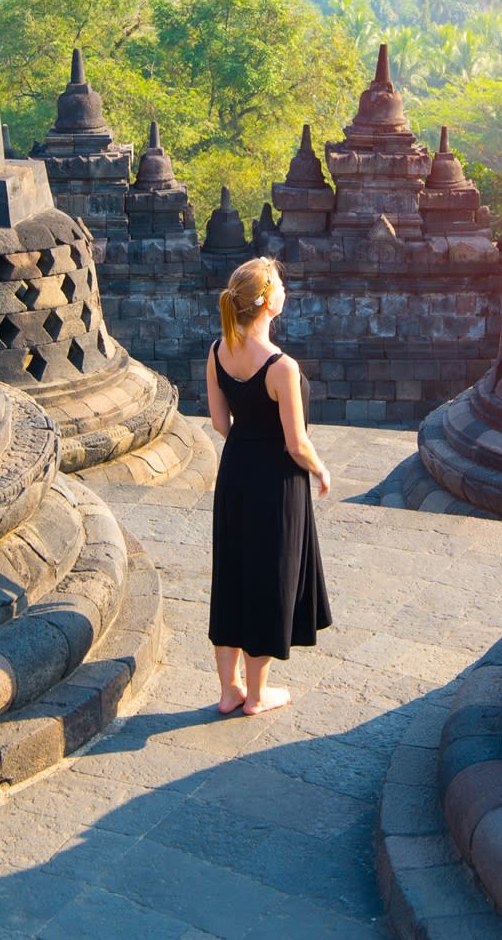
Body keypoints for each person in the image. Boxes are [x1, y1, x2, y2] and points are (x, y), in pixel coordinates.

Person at [205, 255, 333, 716]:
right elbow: (297, 443)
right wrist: (320, 470)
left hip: (236, 470)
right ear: (266, 303)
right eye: (279, 284)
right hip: (276, 480)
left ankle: (228, 689)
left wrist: (249, 442)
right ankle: (257, 695)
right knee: (267, 577)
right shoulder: (282, 367)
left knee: (233, 574)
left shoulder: (219, 350)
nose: (284, 290)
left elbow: (221, 423)